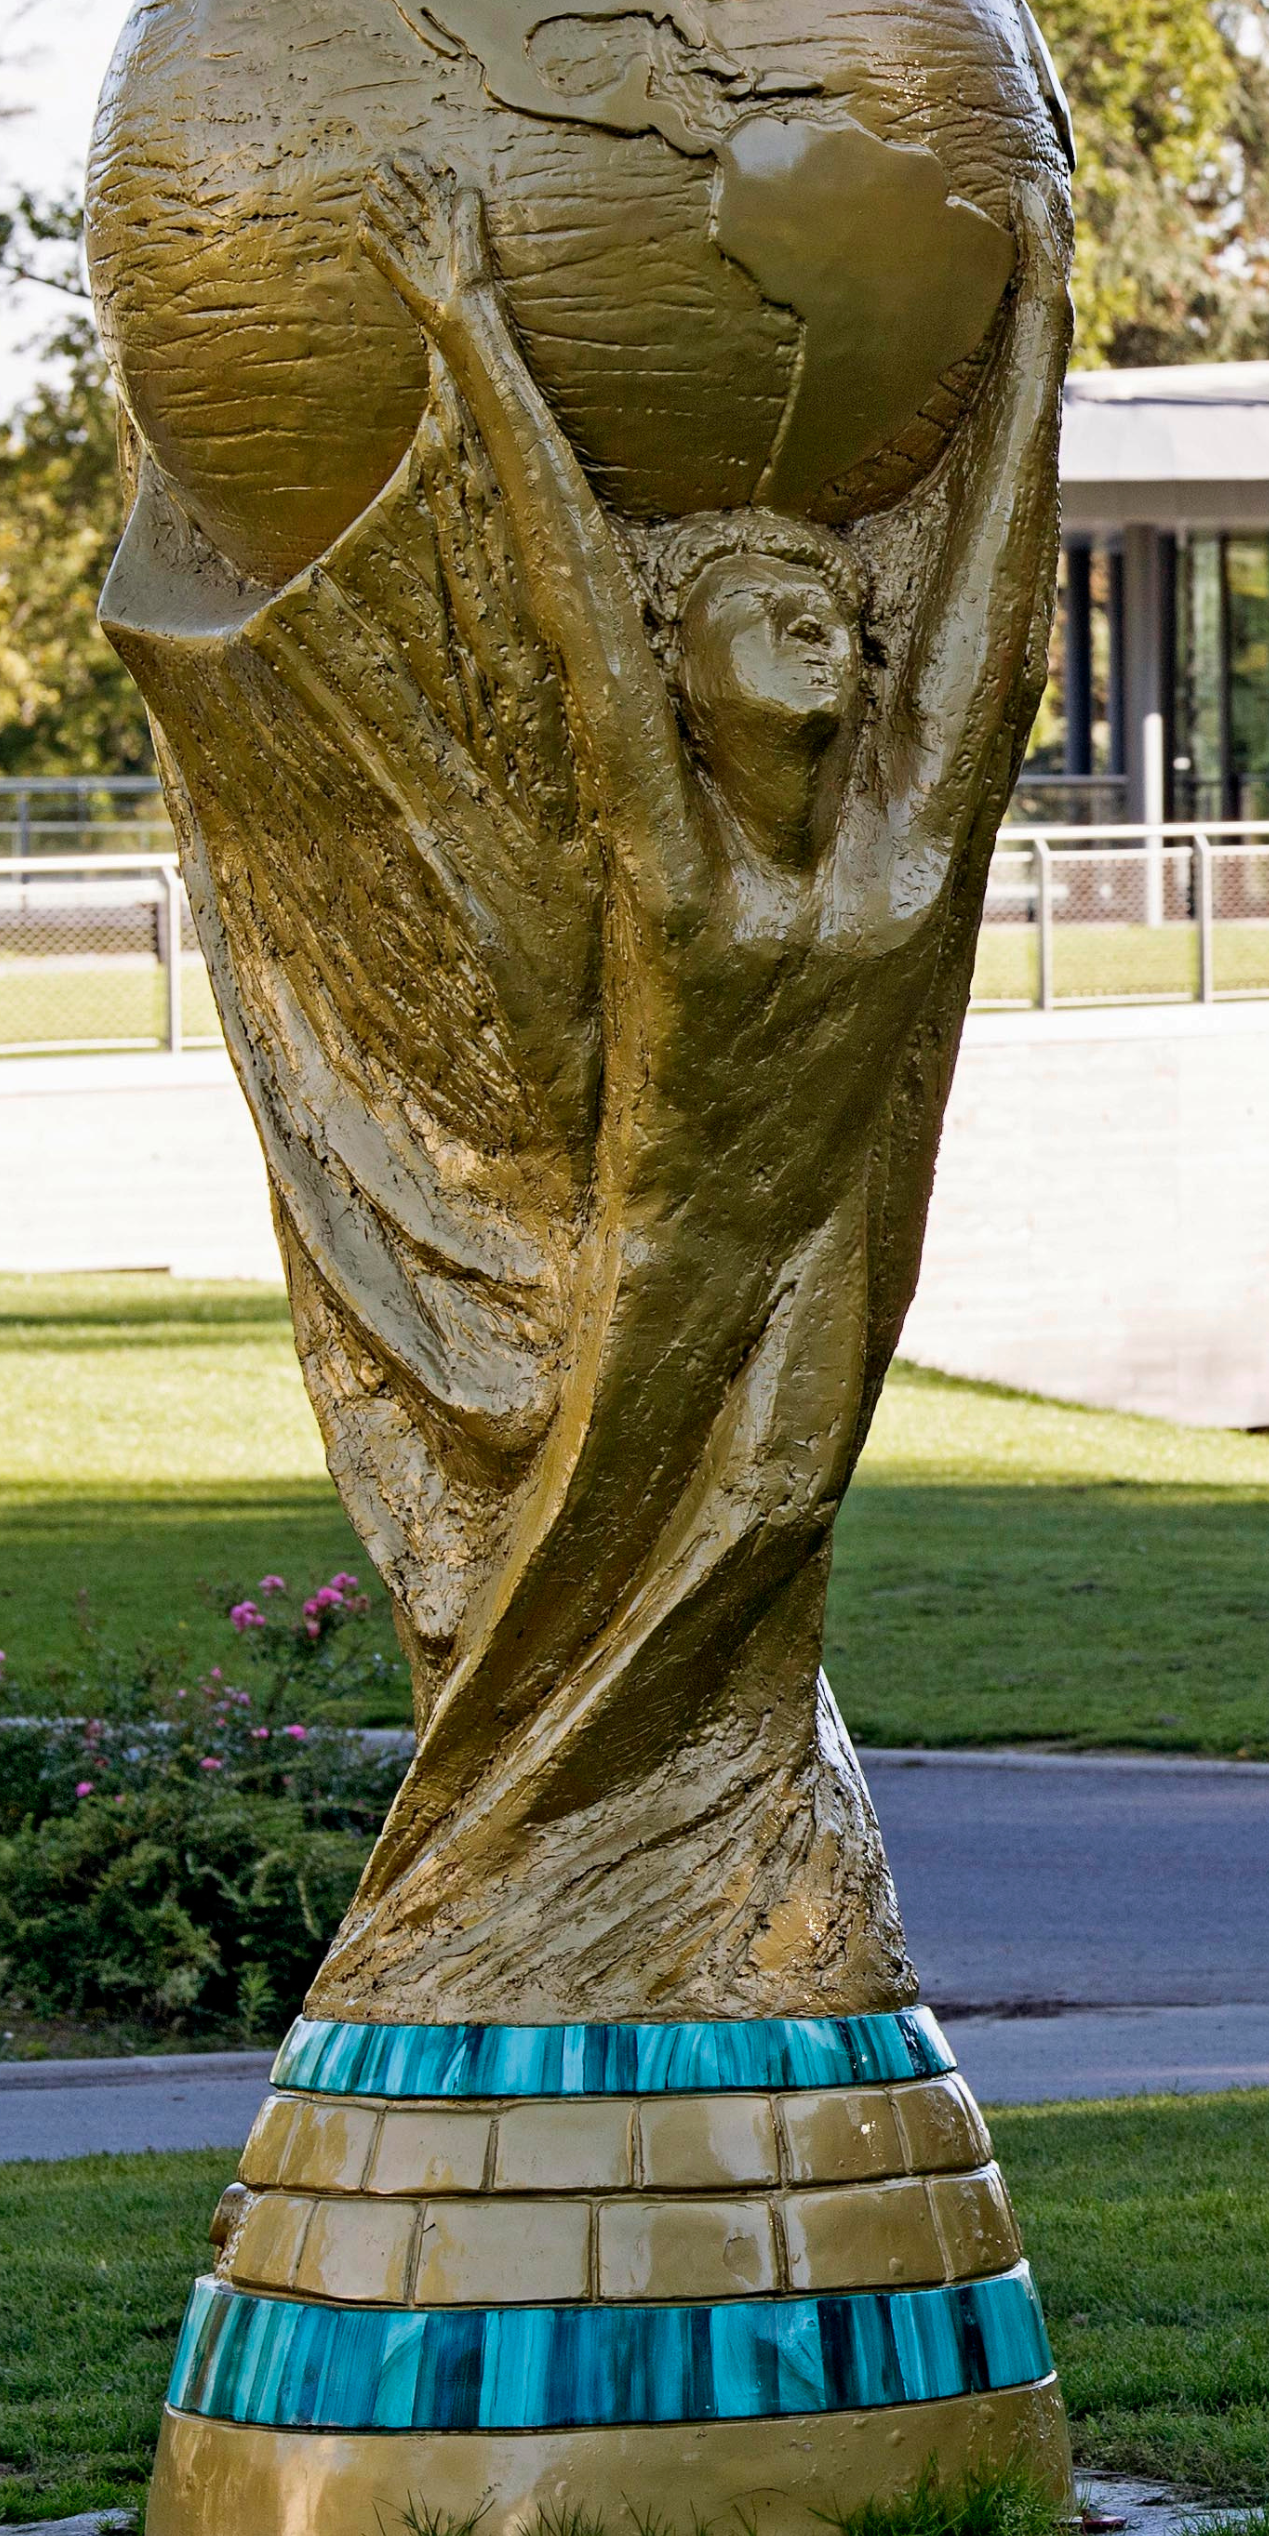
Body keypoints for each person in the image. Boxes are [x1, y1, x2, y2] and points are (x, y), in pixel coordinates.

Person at [110, 141, 1067, 2022]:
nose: (819, 609)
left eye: (830, 596)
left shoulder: (898, 841)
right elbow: (561, 584)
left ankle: (649, 1902)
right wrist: (472, 334)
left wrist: (1032, 325)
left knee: (782, 1507)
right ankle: (492, 1915)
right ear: (676, 659)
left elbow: (990, 625)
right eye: (759, 596)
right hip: (636, 1285)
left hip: (819, 1263)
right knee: (577, 1589)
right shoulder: (661, 850)